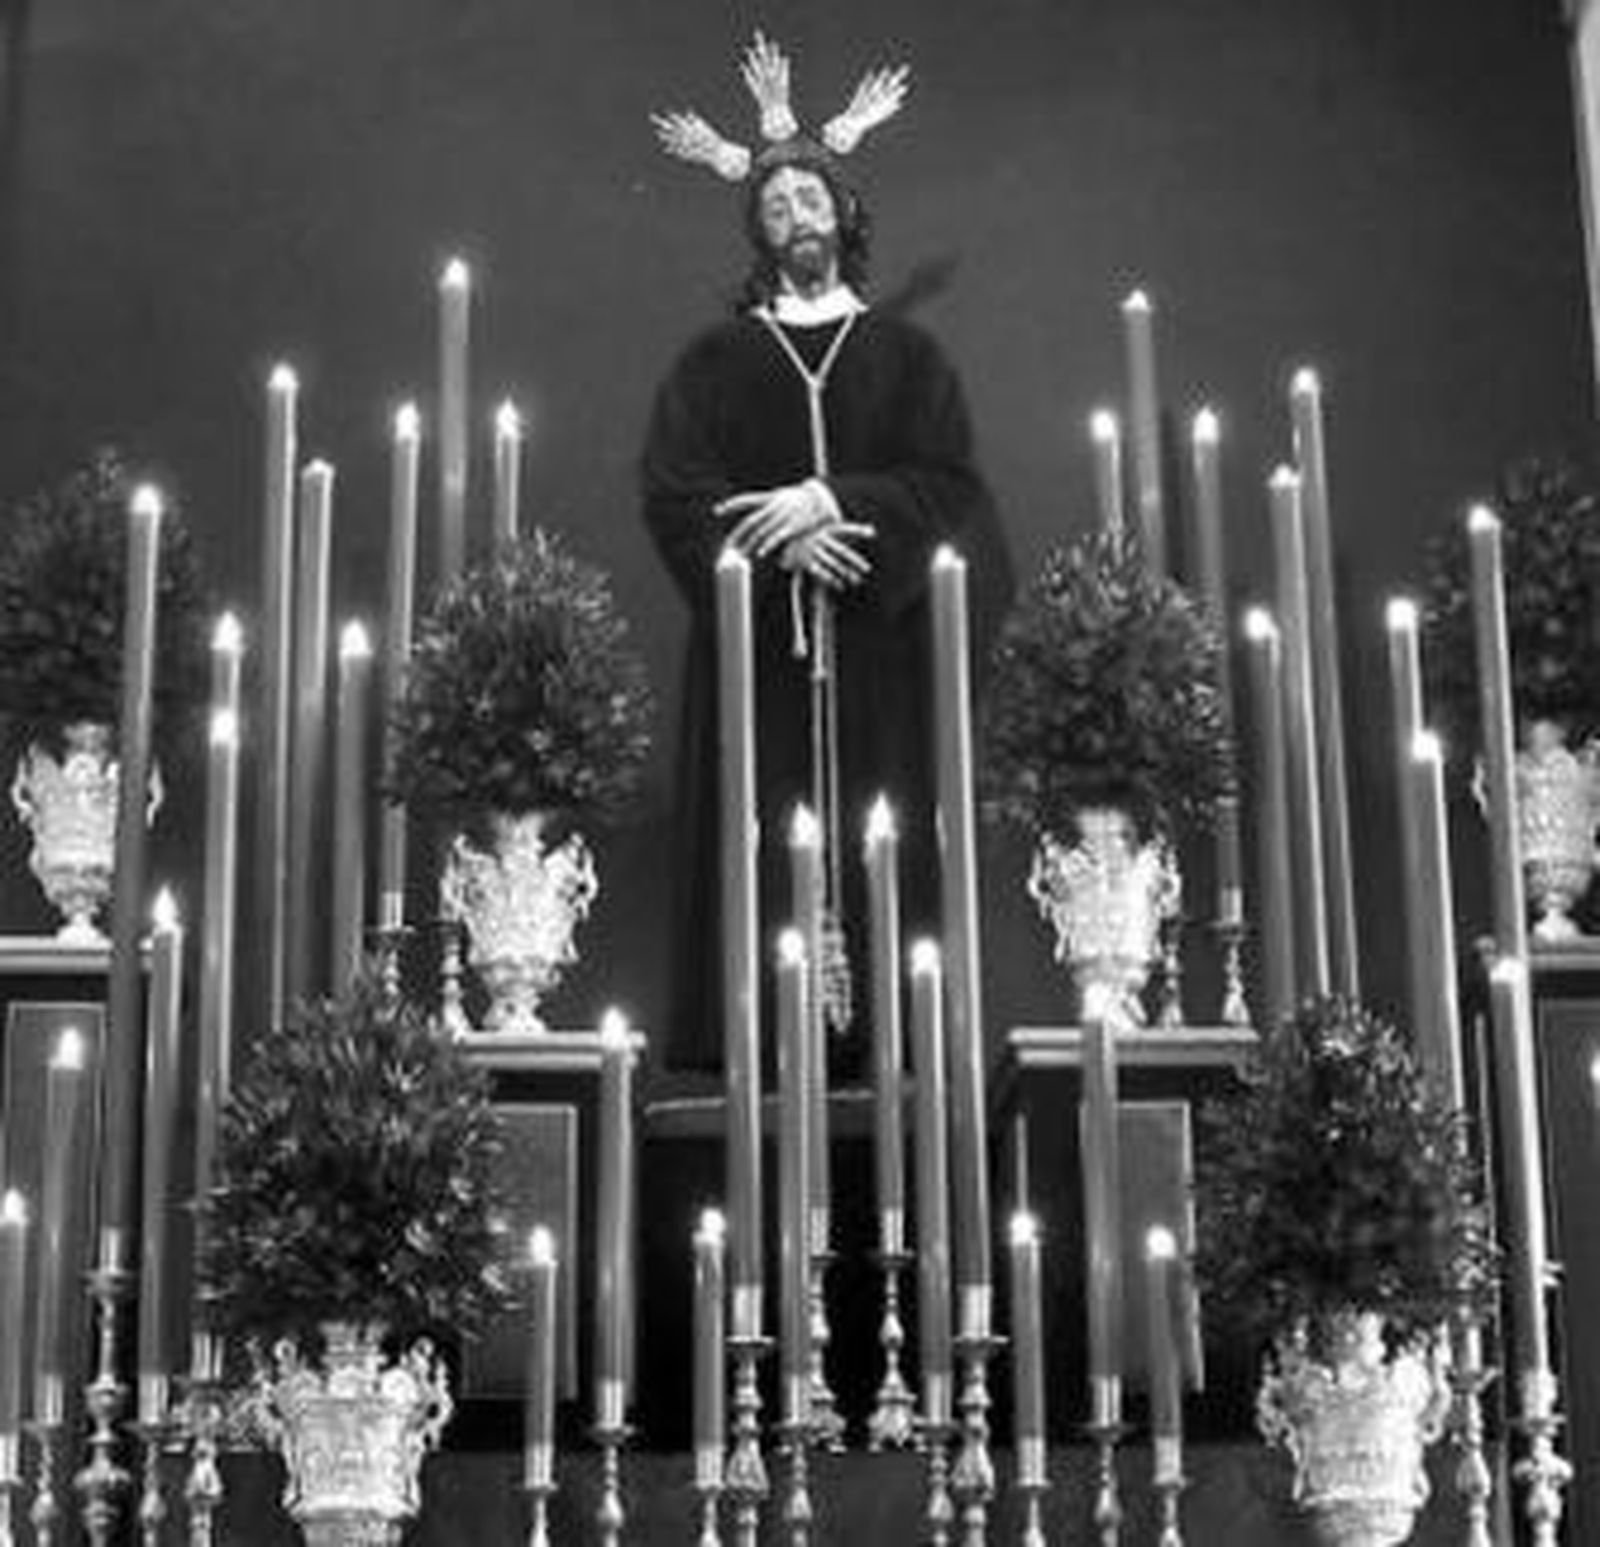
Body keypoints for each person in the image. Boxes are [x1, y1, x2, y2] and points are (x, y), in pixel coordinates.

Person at [642, 43, 1013, 1072]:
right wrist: (778, 545)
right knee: (758, 853)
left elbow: (948, 483)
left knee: (884, 842)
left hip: (883, 665)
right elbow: (674, 495)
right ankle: (757, 1074)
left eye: (811, 194)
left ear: (844, 214)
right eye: (774, 204)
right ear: (757, 232)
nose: (796, 211)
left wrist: (834, 501)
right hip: (758, 661)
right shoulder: (715, 362)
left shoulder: (907, 358)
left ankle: (898, 1067)